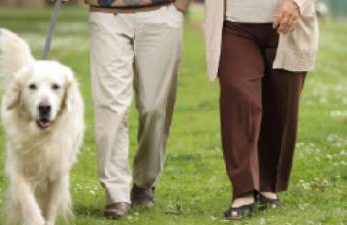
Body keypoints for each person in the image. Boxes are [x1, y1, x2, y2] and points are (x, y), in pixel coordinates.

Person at [203, 0, 318, 220]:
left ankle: (268, 186)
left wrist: (296, 3)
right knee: (239, 97)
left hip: (288, 24)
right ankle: (243, 189)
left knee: (281, 106)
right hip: (234, 25)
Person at [80, 0, 191, 219]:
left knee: (154, 108)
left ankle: (145, 181)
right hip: (106, 14)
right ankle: (116, 194)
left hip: (161, 12)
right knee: (110, 107)